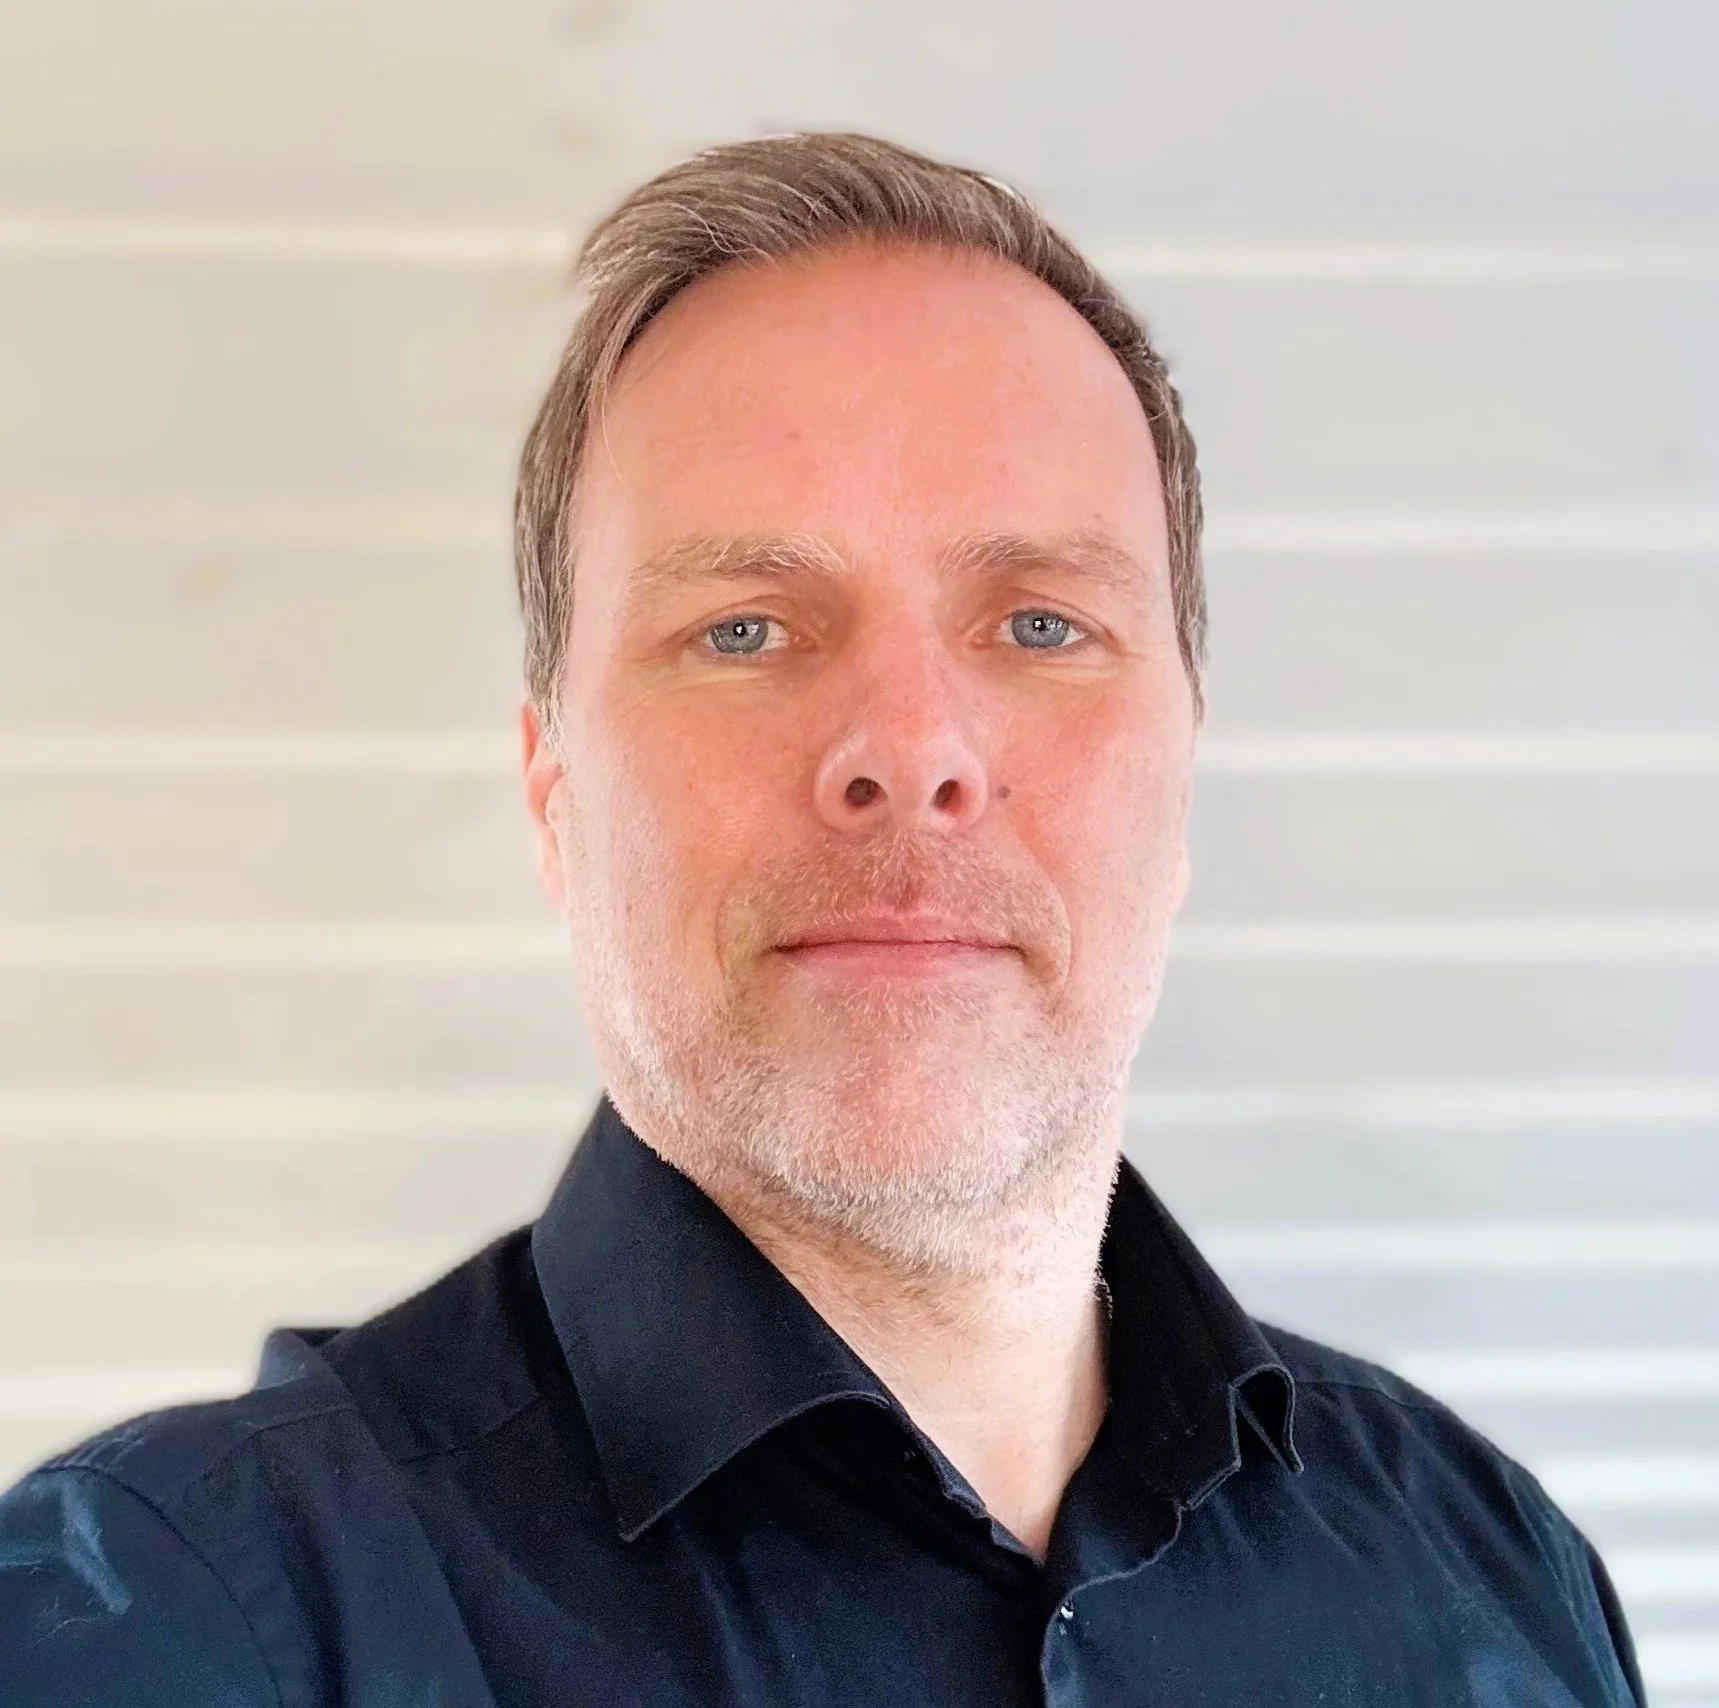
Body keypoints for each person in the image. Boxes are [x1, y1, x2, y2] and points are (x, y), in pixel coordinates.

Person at [0, 132, 1643, 1707]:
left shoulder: (1491, 1575)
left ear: (1183, 771)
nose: (909, 753)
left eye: (1040, 624)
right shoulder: (177, 1626)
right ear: (554, 789)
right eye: (745, 629)